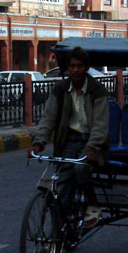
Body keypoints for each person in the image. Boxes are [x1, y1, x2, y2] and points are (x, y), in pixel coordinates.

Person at [29, 47, 109, 229]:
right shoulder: (60, 89)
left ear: (86, 67)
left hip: (91, 141)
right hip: (69, 140)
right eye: (72, 66)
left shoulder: (97, 90)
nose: (76, 70)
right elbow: (48, 118)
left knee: (80, 169)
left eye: (80, 66)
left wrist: (92, 148)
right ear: (68, 68)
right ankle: (59, 230)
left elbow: (100, 124)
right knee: (62, 180)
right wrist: (38, 143)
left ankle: (92, 204)